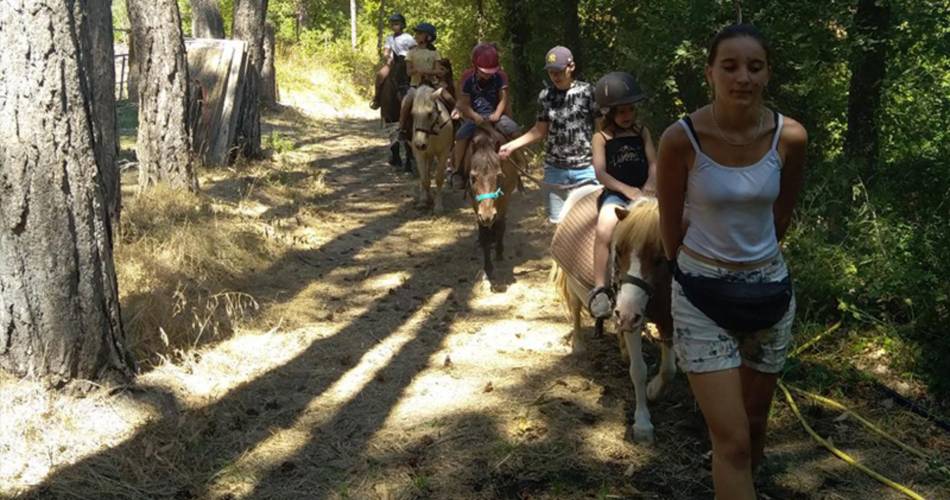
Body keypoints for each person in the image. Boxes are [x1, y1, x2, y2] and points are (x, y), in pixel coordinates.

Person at [655, 24, 807, 499]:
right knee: (733, 441)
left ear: (767, 74)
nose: (743, 77)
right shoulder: (680, 139)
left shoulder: (791, 137)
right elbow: (667, 227)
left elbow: (782, 215)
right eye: (730, 66)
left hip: (770, 294)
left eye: (754, 66)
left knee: (756, 426)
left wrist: (755, 263)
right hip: (702, 296)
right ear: (710, 73)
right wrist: (693, 272)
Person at [499, 46, 600, 223]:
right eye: (551, 72)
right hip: (555, 171)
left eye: (559, 71)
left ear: (571, 67)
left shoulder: (588, 93)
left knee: (589, 224)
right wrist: (511, 145)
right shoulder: (546, 96)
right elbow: (539, 130)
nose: (555, 76)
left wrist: (600, 159)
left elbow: (600, 129)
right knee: (559, 224)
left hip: (586, 170)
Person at [587, 72, 656, 318]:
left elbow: (654, 163)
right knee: (605, 227)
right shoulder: (601, 138)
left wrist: (649, 184)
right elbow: (601, 173)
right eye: (622, 112)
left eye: (630, 110)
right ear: (609, 114)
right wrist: (626, 190)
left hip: (645, 192)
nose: (628, 116)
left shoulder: (642, 132)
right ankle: (600, 288)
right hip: (617, 194)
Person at [452, 43, 521, 186]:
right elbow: (464, 103)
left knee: (514, 130)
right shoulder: (467, 79)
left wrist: (497, 113)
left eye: (491, 72)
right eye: (484, 72)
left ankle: (519, 163)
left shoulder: (500, 77)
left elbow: (503, 99)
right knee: (460, 135)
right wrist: (474, 115)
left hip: (495, 116)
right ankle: (457, 170)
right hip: (475, 116)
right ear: (475, 66)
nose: (488, 75)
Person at [398, 23, 443, 139]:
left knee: (448, 97)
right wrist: (417, 71)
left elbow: (438, 70)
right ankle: (401, 128)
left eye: (419, 33)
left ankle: (456, 121)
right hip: (415, 86)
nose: (416, 36)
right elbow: (408, 72)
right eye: (416, 33)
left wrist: (425, 71)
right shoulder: (411, 52)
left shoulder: (434, 53)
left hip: (432, 85)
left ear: (428, 37)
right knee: (406, 102)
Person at [370, 13, 416, 110]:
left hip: (406, 62)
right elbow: (386, 51)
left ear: (402, 25)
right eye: (392, 24)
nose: (394, 26)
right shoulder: (389, 38)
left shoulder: (408, 37)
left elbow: (414, 50)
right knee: (380, 75)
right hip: (393, 62)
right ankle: (377, 98)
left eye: (396, 23)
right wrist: (388, 57)